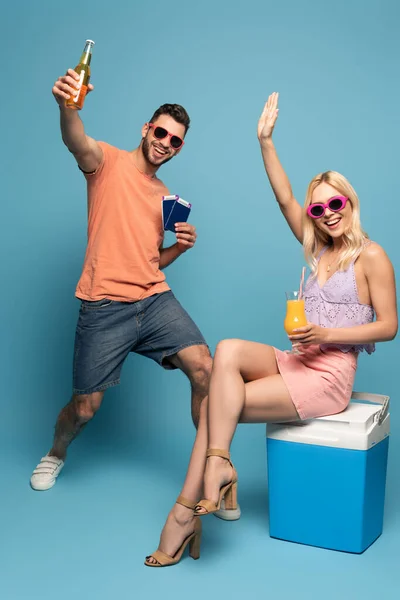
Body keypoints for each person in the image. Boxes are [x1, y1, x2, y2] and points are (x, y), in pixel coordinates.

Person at [144, 92, 398, 567]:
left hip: (329, 378)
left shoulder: (372, 256)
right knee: (227, 352)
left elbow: (388, 327)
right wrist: (265, 141)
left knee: (224, 400)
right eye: (318, 210)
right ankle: (219, 467)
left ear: (350, 201)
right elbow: (284, 196)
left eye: (335, 204)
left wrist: (326, 333)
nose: (328, 215)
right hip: (297, 360)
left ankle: (184, 511)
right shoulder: (317, 247)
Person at [30, 68, 212, 492]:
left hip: (153, 301)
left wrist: (179, 249)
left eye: (175, 141)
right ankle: (55, 452)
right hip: (104, 305)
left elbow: (150, 261)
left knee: (205, 367)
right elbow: (76, 139)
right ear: (146, 128)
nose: (165, 143)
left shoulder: (165, 195)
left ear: (178, 149)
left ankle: (208, 470)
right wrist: (66, 107)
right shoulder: (106, 162)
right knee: (85, 408)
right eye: (161, 132)